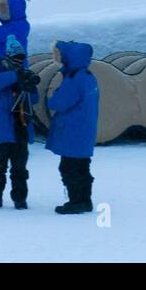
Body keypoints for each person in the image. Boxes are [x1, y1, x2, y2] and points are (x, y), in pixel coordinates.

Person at [0, 36, 39, 210]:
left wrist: (30, 86)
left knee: (20, 168)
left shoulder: (22, 72)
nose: (20, 62)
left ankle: (20, 198)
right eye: (16, 58)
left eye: (22, 58)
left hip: (20, 127)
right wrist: (17, 75)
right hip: (0, 129)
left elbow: (34, 99)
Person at [46, 40, 100, 215]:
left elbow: (59, 103)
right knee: (82, 167)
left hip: (72, 131)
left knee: (69, 168)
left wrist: (52, 96)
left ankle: (76, 201)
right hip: (84, 130)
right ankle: (85, 200)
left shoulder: (74, 78)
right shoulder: (88, 76)